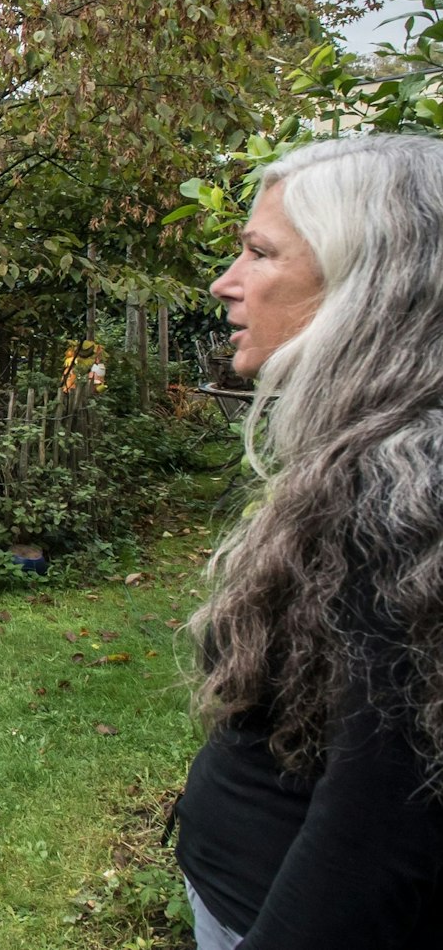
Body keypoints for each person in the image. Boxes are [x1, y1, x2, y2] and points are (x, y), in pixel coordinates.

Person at [175, 134, 443, 948]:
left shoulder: (403, 494)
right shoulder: (368, 455)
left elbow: (383, 830)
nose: (225, 283)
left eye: (258, 253)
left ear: (369, 284)